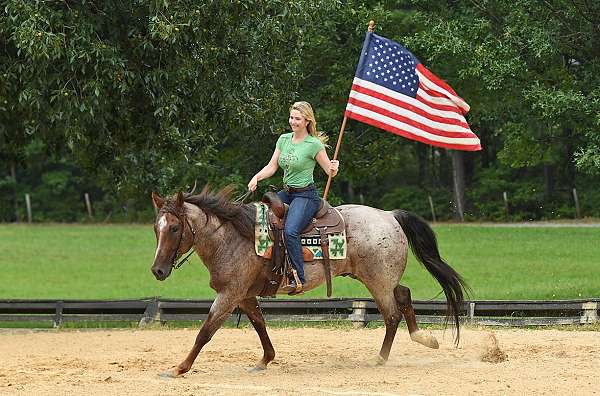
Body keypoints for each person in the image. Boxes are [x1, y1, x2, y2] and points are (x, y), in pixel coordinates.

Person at [248, 101, 339, 294]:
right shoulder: (283, 139)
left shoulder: (314, 144)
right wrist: (257, 177)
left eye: (297, 118)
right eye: (291, 117)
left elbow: (328, 171)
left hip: (306, 196)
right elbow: (272, 166)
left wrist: (334, 168)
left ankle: (298, 277)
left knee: (290, 231)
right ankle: (266, 268)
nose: (293, 121)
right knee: (259, 216)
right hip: (286, 192)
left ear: (307, 121)